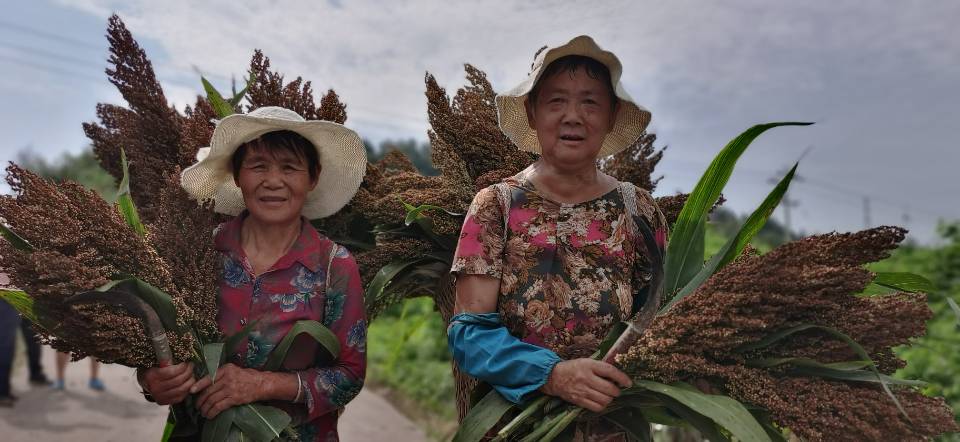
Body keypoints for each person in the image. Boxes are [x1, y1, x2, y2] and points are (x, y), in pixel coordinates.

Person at [448, 35, 668, 440]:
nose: (573, 116)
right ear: (532, 112)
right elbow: (469, 335)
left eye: (590, 102)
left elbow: (658, 322)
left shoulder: (638, 211)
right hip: (516, 426)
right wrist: (552, 375)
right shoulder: (497, 205)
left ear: (611, 114)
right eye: (556, 101)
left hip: (614, 427)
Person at [138, 107, 368, 441]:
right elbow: (156, 345)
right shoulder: (200, 253)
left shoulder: (335, 267)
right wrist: (151, 380)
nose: (273, 181)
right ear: (236, 174)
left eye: (290, 167)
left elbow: (350, 377)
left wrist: (260, 385)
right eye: (257, 166)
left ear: (313, 177)